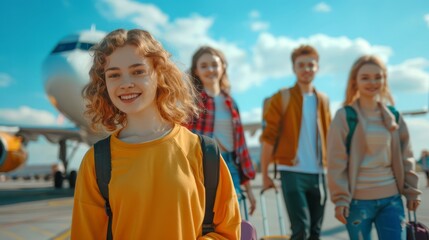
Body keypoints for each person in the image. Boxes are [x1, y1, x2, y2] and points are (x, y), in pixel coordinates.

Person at [70, 29, 241, 239]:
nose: (125, 83)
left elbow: (228, 232)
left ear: (159, 74)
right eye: (114, 75)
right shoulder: (95, 162)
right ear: (104, 84)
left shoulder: (203, 152)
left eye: (138, 71)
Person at [327, 55, 421, 239]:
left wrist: (412, 192)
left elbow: (406, 156)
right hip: (356, 202)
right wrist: (340, 199)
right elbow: (336, 162)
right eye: (365, 77)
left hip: (391, 200)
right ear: (355, 81)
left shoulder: (394, 116)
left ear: (385, 79)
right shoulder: (344, 116)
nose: (372, 82)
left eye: (378, 77)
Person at [260, 45, 331, 240]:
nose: (306, 69)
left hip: (319, 173)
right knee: (301, 230)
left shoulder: (323, 100)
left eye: (311, 65)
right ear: (294, 68)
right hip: (291, 171)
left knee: (316, 232)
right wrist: (265, 174)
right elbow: (268, 137)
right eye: (301, 65)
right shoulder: (281, 97)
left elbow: (329, 137)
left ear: (317, 68)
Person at [187, 46, 257, 218]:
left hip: (230, 165)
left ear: (223, 67)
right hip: (201, 166)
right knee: (205, 220)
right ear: (196, 70)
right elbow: (183, 139)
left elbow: (241, 147)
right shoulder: (191, 102)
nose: (210, 69)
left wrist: (248, 189)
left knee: (235, 220)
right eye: (204, 66)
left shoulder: (231, 103)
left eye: (214, 64)